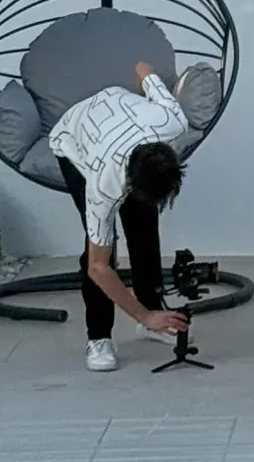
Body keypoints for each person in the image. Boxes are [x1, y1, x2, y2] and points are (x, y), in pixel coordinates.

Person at [47, 62, 192, 372]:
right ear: (130, 185)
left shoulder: (174, 120)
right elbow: (97, 267)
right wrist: (141, 315)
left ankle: (153, 313)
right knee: (102, 248)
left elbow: (143, 69)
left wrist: (141, 75)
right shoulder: (103, 185)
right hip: (74, 137)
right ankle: (99, 337)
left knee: (144, 228)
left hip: (117, 109)